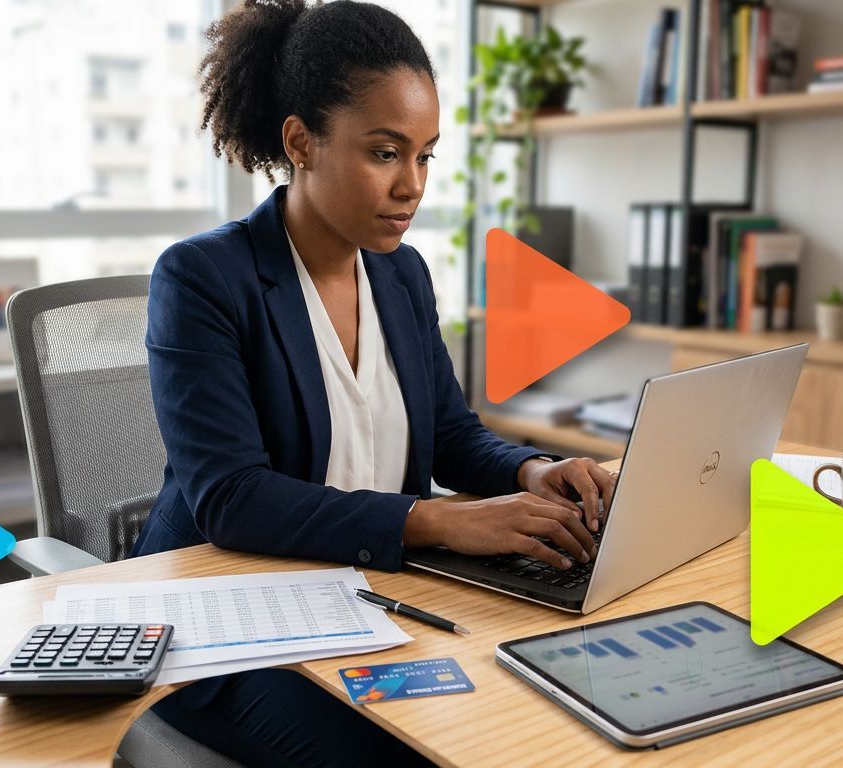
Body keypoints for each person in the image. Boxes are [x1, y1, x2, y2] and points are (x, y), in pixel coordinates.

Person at [134, 2, 617, 765]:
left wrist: (533, 470)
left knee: (538, 711)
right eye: (386, 153)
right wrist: (443, 521)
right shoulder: (203, 278)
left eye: (425, 156)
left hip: (371, 600)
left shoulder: (401, 273)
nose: (412, 186)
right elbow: (231, 497)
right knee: (406, 754)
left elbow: (451, 432)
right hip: (224, 627)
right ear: (301, 141)